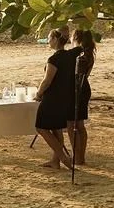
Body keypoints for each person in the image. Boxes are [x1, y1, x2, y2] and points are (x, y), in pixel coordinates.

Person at [34, 27, 74, 170]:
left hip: (52, 98)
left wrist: (38, 94)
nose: (48, 41)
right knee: (56, 129)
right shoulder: (69, 56)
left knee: (41, 127)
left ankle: (63, 157)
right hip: (64, 96)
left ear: (56, 40)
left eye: (50, 38)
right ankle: (55, 160)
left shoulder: (54, 59)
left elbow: (47, 81)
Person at [66, 29, 96, 165]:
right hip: (84, 88)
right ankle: (80, 156)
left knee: (72, 124)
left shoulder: (78, 54)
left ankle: (76, 156)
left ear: (75, 38)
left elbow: (76, 76)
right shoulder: (88, 53)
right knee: (80, 125)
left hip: (76, 89)